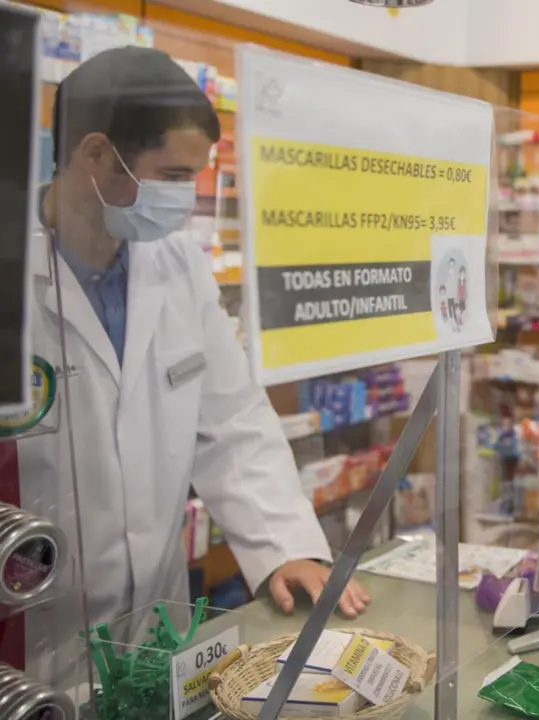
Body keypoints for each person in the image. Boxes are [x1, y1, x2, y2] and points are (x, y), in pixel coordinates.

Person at [18, 46, 369, 651]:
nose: (186, 199)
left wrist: (284, 547)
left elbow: (232, 420)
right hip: (31, 624)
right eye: (173, 177)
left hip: (157, 617)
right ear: (95, 154)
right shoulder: (11, 273)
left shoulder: (178, 265)